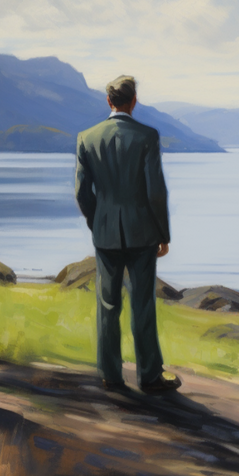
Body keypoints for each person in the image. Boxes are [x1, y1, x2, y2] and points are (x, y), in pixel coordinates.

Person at [74, 75, 182, 396]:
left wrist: (99, 222)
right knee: (143, 305)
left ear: (109, 102)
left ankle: (111, 375)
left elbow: (82, 192)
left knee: (107, 305)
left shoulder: (86, 138)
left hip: (106, 234)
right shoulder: (147, 136)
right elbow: (155, 192)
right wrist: (163, 233)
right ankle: (149, 376)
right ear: (133, 101)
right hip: (142, 234)